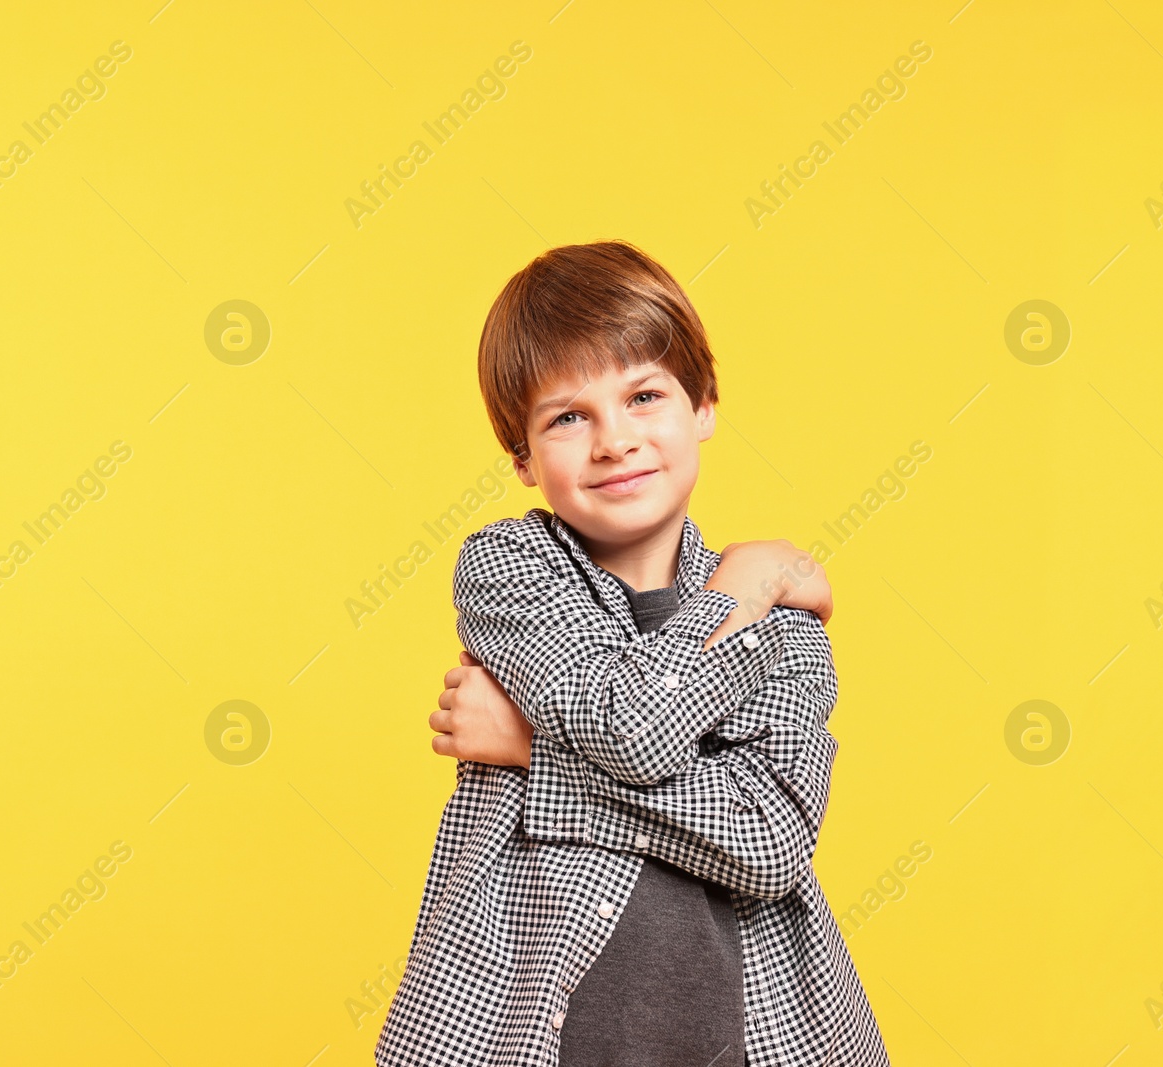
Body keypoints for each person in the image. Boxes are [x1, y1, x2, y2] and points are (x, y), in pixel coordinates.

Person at [375, 240, 888, 1066]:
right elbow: (633, 727)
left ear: (704, 407)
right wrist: (740, 593)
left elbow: (768, 845)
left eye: (645, 395)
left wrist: (532, 750)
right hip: (532, 1031)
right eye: (568, 417)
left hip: (747, 1033)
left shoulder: (783, 621)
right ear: (522, 457)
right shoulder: (511, 567)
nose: (614, 440)